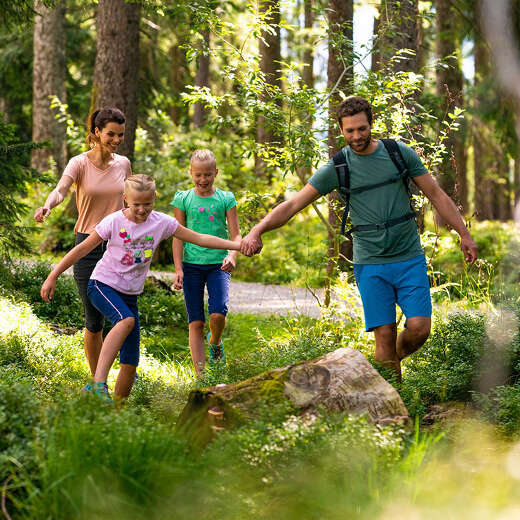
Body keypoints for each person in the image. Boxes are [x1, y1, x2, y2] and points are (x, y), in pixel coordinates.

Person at [241, 96, 478, 381]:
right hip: (370, 262)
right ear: (341, 130)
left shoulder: (398, 153)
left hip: (408, 257)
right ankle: (392, 412)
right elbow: (293, 205)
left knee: (419, 328)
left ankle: (386, 363)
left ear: (371, 124)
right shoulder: (338, 167)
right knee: (384, 334)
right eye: (350, 130)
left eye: (361, 129)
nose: (356, 136)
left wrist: (464, 233)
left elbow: (437, 195)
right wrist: (257, 229)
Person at [40, 174, 241, 401]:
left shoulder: (161, 222)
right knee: (126, 321)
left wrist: (237, 245)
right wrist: (53, 275)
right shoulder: (114, 221)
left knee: (130, 363)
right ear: (125, 199)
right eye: (136, 204)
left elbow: (200, 238)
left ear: (154, 198)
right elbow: (82, 249)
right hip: (102, 285)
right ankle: (97, 384)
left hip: (130, 295)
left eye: (147, 204)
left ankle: (117, 412)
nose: (142, 209)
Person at [34, 107, 131, 379]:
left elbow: (130, 201)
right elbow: (61, 189)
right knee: (94, 320)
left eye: (120, 135)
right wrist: (47, 205)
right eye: (111, 134)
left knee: (122, 315)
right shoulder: (79, 163)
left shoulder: (123, 164)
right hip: (87, 245)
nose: (116, 139)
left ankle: (115, 372)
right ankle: (97, 382)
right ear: (97, 133)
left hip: (118, 246)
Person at [171, 149, 241, 375]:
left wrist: (231, 256)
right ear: (191, 173)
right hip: (191, 266)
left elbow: (236, 235)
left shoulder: (226, 199)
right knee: (196, 322)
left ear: (216, 173)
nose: (203, 180)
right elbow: (178, 234)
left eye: (208, 175)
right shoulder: (183, 199)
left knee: (218, 313)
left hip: (218, 265)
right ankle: (201, 376)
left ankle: (215, 343)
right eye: (198, 175)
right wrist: (179, 268)